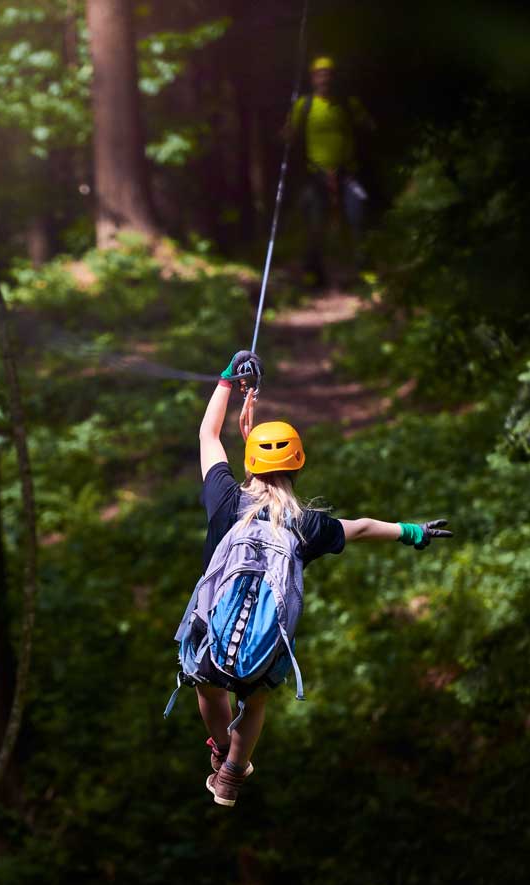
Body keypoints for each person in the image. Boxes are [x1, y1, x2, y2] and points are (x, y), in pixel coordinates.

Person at [194, 350, 450, 806]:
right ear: (298, 465)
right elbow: (364, 527)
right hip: (264, 644)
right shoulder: (307, 525)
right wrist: (412, 532)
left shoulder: (225, 499)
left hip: (212, 636)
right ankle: (234, 771)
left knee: (208, 687)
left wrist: (228, 379)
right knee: (254, 700)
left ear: (249, 463)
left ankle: (220, 753)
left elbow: (208, 434)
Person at [285, 56, 375, 288]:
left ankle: (363, 270)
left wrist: (367, 124)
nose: (324, 78)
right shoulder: (304, 106)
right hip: (316, 175)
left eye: (328, 73)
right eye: (320, 73)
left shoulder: (347, 103)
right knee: (315, 225)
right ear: (313, 78)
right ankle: (313, 274)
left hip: (348, 174)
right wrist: (286, 133)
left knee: (358, 217)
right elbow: (288, 135)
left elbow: (369, 126)